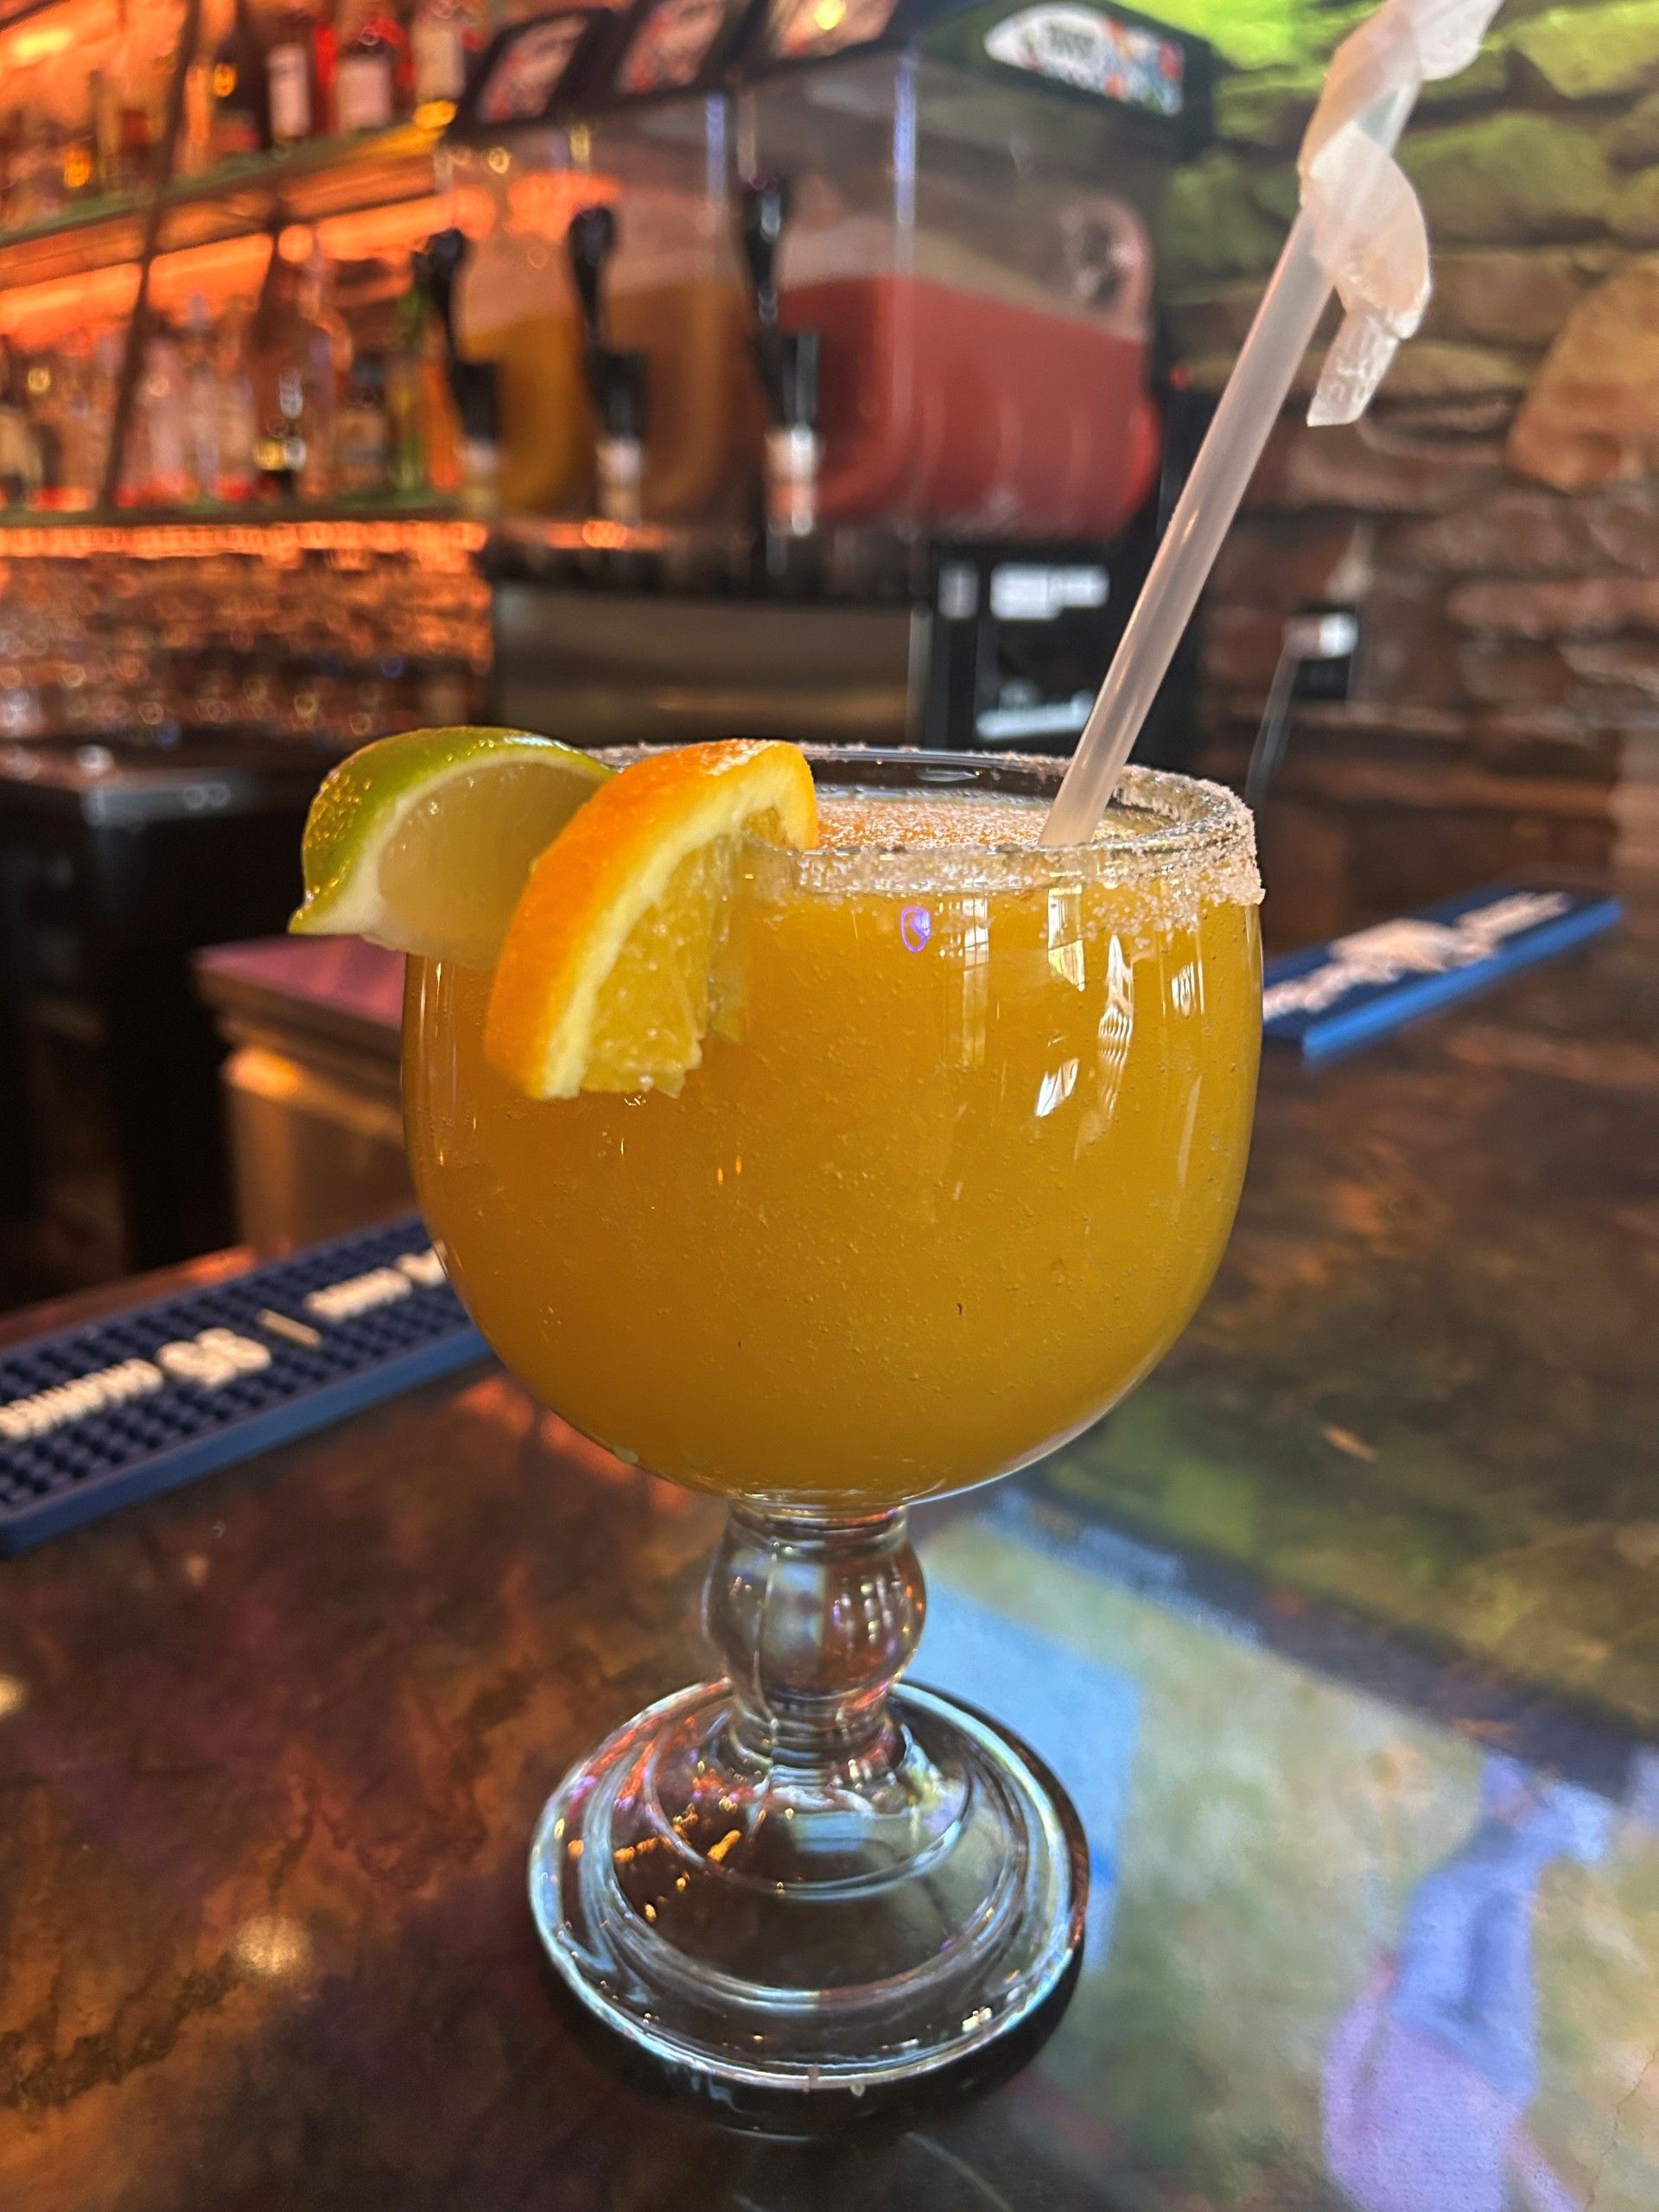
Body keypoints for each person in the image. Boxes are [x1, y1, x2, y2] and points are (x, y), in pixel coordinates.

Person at [1322, 1754, 1611, 2212]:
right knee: (1504, 1916)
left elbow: (1341, 2075)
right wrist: (1550, 2188)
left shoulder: (1354, 2172)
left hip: (1420, 2019)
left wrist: (1370, 1998)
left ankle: (1546, 1817)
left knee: (1443, 1898)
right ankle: (1526, 1807)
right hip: (1497, 2064)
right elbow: (1530, 2177)